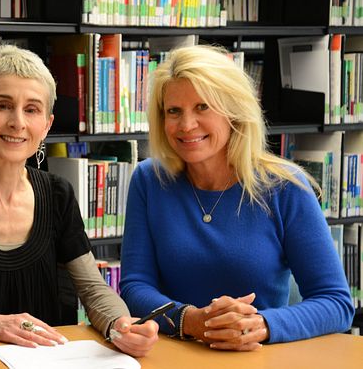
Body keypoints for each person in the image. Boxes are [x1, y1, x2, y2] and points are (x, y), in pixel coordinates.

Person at [0, 45, 158, 357]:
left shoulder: (58, 195)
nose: (17, 122)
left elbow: (92, 288)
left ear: (46, 125)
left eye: (31, 109)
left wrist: (121, 325)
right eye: (3, 105)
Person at [119, 44, 355, 351]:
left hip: (257, 356)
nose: (186, 125)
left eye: (203, 107)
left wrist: (261, 325)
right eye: (174, 111)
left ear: (234, 110)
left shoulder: (285, 187)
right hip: (173, 355)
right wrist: (190, 320)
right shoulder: (149, 180)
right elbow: (135, 286)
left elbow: (336, 303)